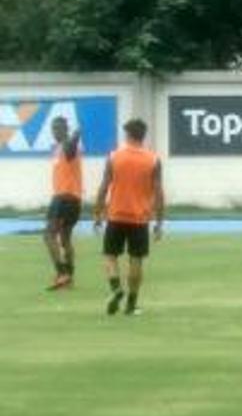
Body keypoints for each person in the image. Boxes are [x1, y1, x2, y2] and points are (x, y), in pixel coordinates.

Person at [92, 117, 164, 317]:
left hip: (116, 215)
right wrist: (159, 222)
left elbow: (104, 186)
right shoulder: (153, 159)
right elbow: (159, 193)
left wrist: (97, 213)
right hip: (139, 218)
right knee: (136, 260)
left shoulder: (114, 156)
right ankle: (131, 305)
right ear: (143, 135)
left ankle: (116, 289)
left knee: (110, 256)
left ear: (127, 135)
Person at [43, 114, 83, 291]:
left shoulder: (68, 145)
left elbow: (70, 150)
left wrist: (74, 136)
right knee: (65, 238)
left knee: (48, 235)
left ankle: (62, 273)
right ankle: (70, 278)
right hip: (72, 198)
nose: (54, 132)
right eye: (53, 129)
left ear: (65, 129)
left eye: (58, 129)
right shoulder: (59, 147)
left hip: (64, 198)